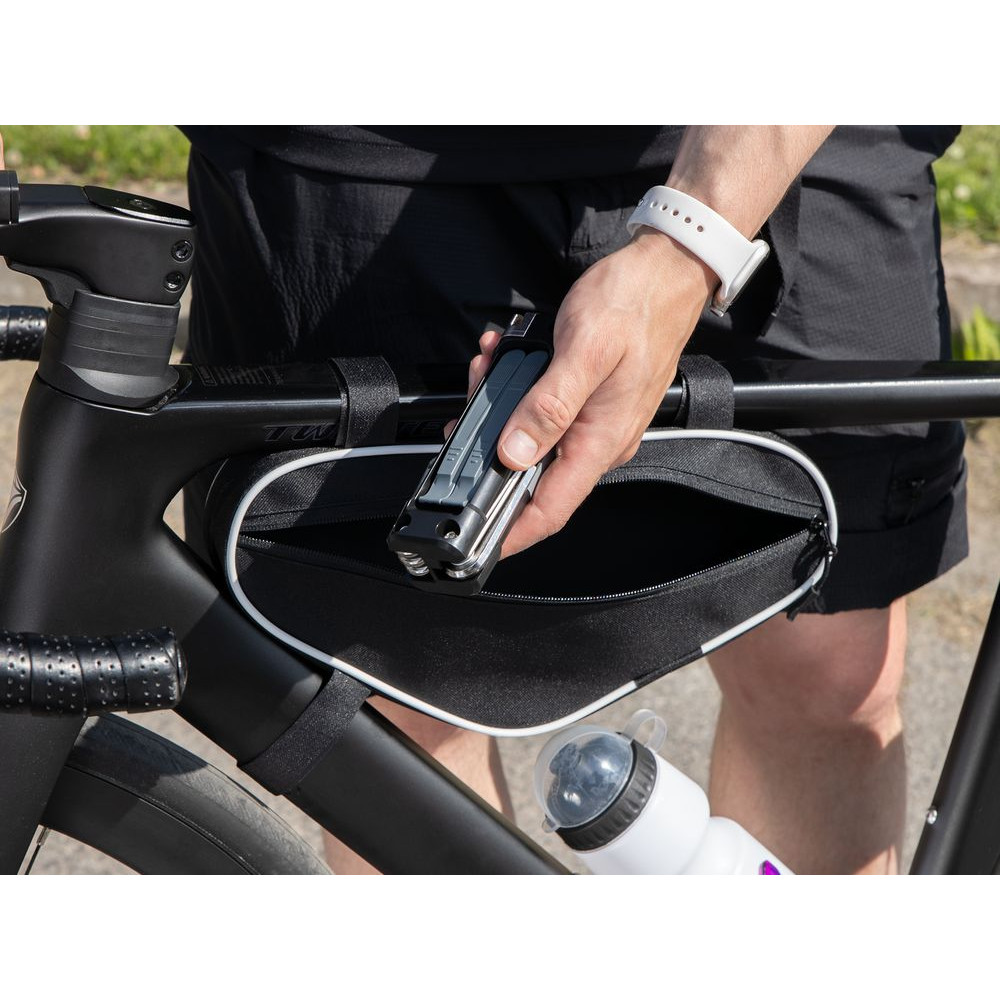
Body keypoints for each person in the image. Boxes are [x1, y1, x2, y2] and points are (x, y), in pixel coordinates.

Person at [177, 126, 967, 874]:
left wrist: (691, 241)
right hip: (367, 147)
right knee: (392, 690)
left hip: (779, 140)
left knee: (828, 675)